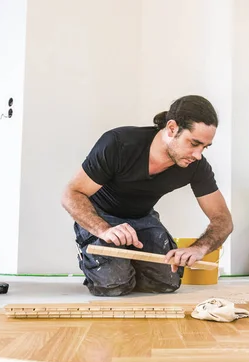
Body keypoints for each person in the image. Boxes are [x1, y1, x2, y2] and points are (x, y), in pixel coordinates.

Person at [61, 95, 233, 296]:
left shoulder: (196, 166)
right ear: (171, 128)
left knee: (167, 282)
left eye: (204, 147)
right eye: (194, 143)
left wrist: (199, 248)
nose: (198, 154)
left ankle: (126, 268)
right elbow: (71, 193)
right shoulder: (119, 143)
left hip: (142, 217)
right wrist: (103, 230)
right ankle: (99, 261)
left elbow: (223, 220)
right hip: (102, 217)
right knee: (113, 285)